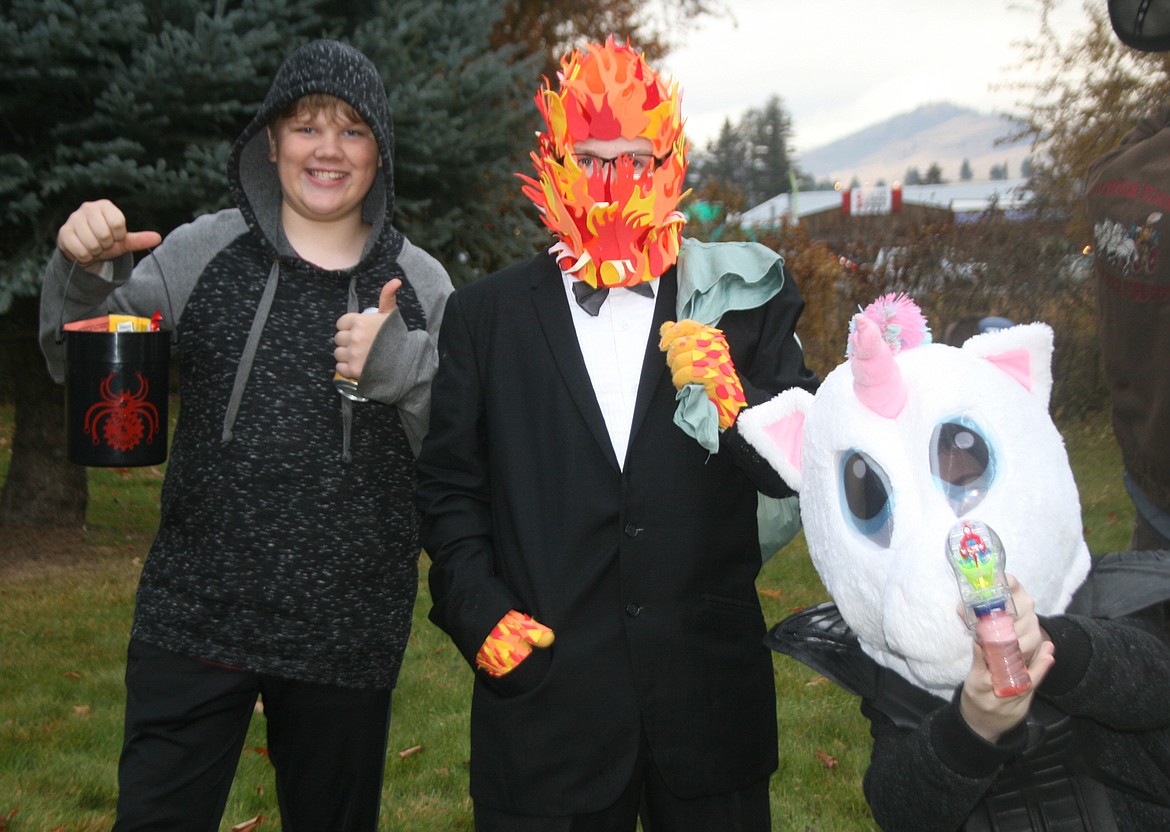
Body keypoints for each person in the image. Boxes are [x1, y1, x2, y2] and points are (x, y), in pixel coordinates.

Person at [38, 39, 453, 831]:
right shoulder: (200, 253)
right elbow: (75, 359)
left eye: (353, 130)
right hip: (194, 616)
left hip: (347, 630)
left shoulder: (423, 284)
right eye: (305, 126)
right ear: (270, 142)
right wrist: (80, 271)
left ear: (381, 153)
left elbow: (463, 455)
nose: (327, 149)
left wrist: (405, 367)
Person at [415, 36, 818, 831]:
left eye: (636, 158)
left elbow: (803, 468)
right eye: (592, 158)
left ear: (669, 162)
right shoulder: (483, 317)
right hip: (545, 711)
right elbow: (450, 488)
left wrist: (734, 403)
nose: (614, 184)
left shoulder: (742, 299)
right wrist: (475, 607)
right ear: (554, 159)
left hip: (707, 712)